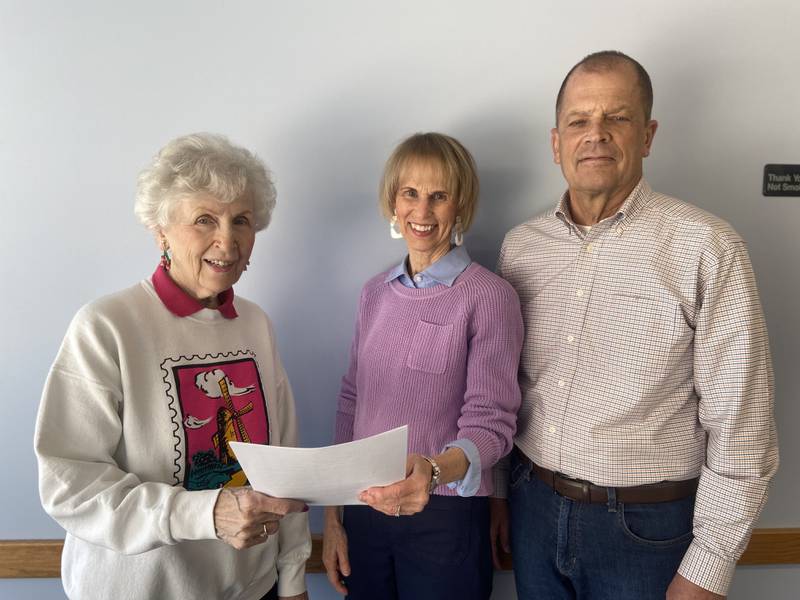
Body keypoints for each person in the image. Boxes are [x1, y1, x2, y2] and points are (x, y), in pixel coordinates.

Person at [492, 51, 778, 600]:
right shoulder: (521, 249)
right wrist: (501, 496)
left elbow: (743, 426)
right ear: (556, 143)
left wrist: (710, 567)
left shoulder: (707, 247)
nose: (595, 135)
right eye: (579, 121)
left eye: (616, 118)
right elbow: (507, 389)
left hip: (648, 533)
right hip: (532, 511)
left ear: (647, 135)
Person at [34, 133, 311, 600]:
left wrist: (294, 576)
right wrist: (203, 514)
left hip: (254, 588)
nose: (227, 239)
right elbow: (71, 486)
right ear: (160, 230)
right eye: (205, 219)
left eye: (241, 220)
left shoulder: (255, 324)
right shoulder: (107, 326)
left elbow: (284, 458)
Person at [322, 132, 523, 600]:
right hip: (364, 509)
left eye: (439, 196)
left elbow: (492, 425)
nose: (422, 211)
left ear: (461, 205)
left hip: (445, 517)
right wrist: (333, 518)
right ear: (393, 201)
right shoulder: (374, 293)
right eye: (410, 193)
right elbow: (351, 401)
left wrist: (433, 472)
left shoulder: (489, 297)